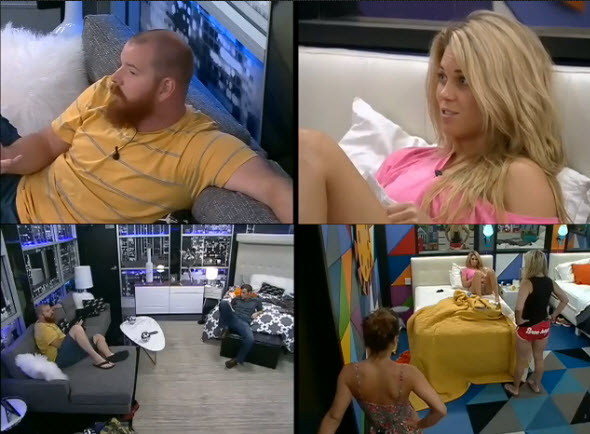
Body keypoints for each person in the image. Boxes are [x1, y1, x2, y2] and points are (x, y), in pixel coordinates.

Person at [299, 10, 567, 224]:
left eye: (463, 81)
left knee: (311, 148)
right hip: (361, 254)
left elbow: (531, 259)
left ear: (503, 91)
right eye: (442, 77)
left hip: (427, 266)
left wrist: (432, 235)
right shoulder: (403, 160)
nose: (444, 94)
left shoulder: (519, 175)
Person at [0, 29, 292, 224]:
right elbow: (48, 142)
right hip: (18, 185)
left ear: (165, 88)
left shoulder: (201, 148)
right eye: (121, 65)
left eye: (131, 71)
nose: (115, 77)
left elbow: (275, 188)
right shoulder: (106, 92)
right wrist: (10, 158)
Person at [319, 308, 446, 434]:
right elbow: (440, 410)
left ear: (365, 340)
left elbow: (333, 417)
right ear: (395, 340)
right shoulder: (408, 373)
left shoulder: (349, 374)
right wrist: (419, 424)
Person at [504, 250, 569, 396]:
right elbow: (565, 299)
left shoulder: (527, 283)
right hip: (543, 326)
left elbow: (518, 307)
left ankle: (515, 388)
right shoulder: (550, 282)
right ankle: (536, 385)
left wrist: (519, 320)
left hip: (527, 327)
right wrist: (554, 316)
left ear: (530, 264)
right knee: (539, 358)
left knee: (521, 360)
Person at [34, 304, 128, 369]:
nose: (52, 312)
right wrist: (73, 335)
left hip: (66, 351)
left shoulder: (47, 321)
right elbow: (60, 345)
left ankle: (110, 356)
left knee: (98, 337)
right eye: (48, 311)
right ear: (40, 316)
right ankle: (98, 360)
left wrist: (54, 307)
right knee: (76, 329)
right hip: (59, 359)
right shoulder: (42, 328)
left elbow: (64, 341)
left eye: (51, 309)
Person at [219, 284, 264, 369]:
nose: (241, 294)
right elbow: (229, 309)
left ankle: (237, 360)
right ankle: (225, 329)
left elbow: (262, 310)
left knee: (250, 339)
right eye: (241, 292)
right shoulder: (236, 299)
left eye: (244, 293)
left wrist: (257, 313)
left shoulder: (256, 301)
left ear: (250, 293)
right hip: (233, 318)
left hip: (244, 322)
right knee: (223, 303)